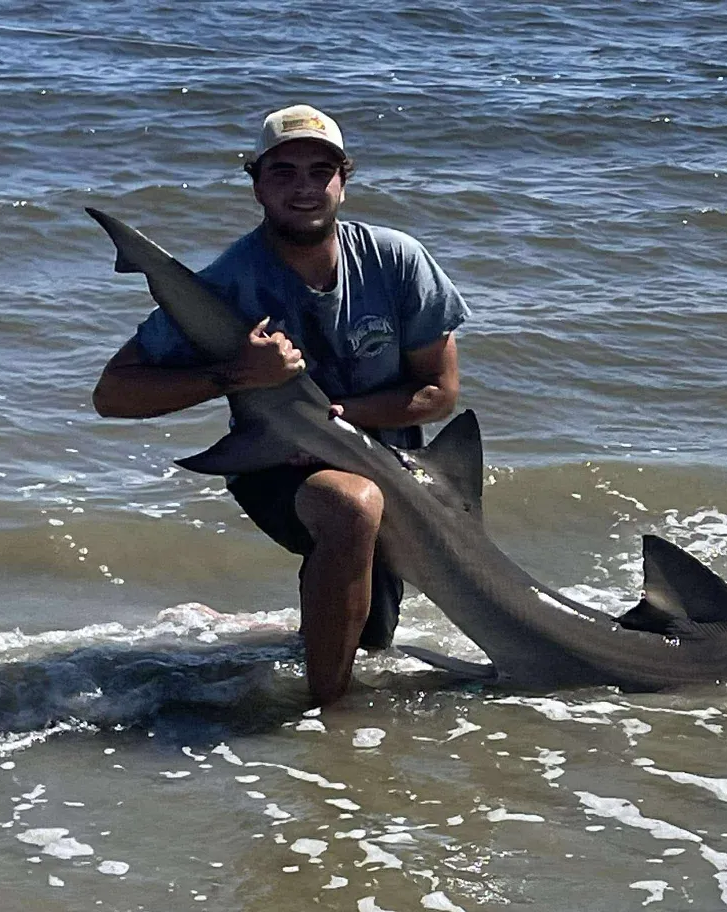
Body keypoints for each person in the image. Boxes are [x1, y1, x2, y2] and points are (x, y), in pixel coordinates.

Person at [92, 104, 470, 705]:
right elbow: (113, 394)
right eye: (284, 172)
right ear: (257, 184)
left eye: (320, 171)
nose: (304, 188)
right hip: (275, 462)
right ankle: (329, 720)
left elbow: (438, 395)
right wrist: (235, 374)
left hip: (388, 461)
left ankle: (264, 639)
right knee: (351, 507)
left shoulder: (398, 261)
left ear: (344, 179)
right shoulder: (232, 283)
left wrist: (336, 418)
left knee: (370, 637)